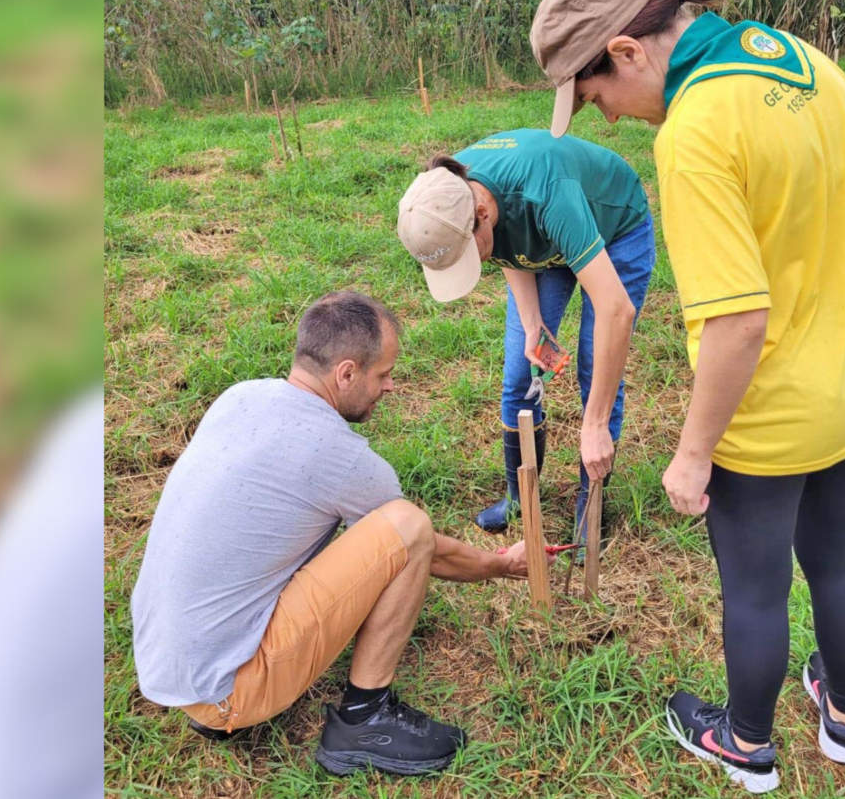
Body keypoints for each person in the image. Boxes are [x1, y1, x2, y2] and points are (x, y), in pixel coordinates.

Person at [531, 0, 845, 792]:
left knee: (755, 587)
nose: (611, 118)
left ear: (628, 52)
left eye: (596, 97)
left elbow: (740, 322)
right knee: (840, 555)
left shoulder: (696, 128)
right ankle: (842, 718)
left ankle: (746, 742)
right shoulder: (797, 58)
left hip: (773, 407)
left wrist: (694, 450)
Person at [131, 292, 545, 777]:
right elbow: (424, 549)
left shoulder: (241, 396)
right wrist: (502, 564)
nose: (390, 386)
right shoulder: (340, 457)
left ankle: (228, 683)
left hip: (167, 661)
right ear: (346, 373)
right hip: (225, 692)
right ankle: (364, 718)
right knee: (407, 526)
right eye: (383, 374)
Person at [396, 128, 654, 550]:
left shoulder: (543, 193)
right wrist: (532, 321)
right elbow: (507, 247)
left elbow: (616, 310)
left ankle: (591, 503)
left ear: (481, 211)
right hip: (545, 233)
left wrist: (592, 425)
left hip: (611, 227)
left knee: (596, 367)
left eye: (467, 254)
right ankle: (520, 497)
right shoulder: (450, 194)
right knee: (519, 374)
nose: (472, 263)